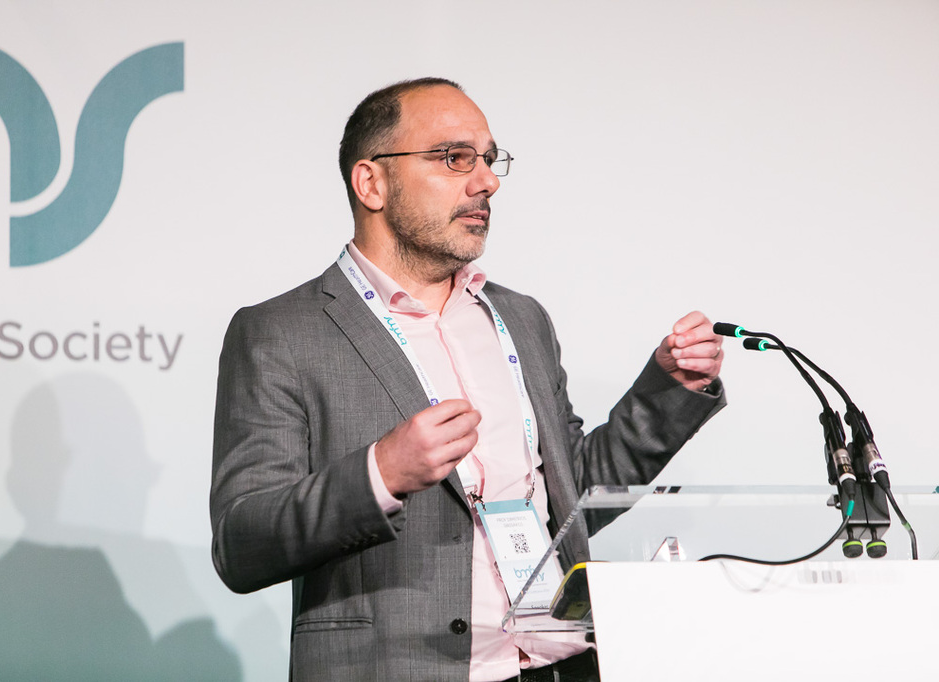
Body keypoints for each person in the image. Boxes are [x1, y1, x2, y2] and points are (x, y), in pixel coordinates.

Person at [210, 77, 725, 682]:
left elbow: (571, 499)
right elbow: (242, 543)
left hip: (564, 665)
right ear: (371, 183)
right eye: (454, 158)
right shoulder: (280, 332)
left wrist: (668, 392)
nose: (486, 181)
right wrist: (381, 473)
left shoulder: (520, 318)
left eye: (488, 158)